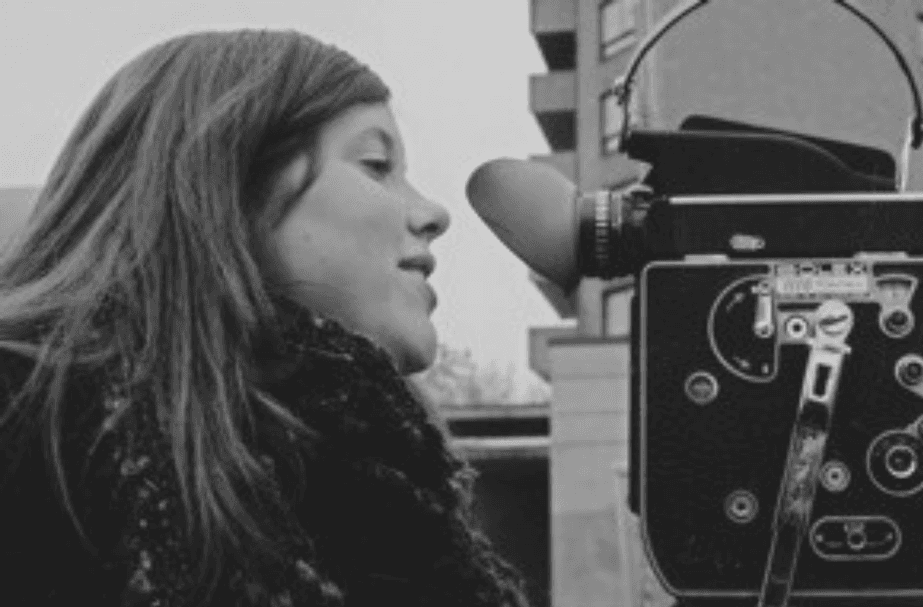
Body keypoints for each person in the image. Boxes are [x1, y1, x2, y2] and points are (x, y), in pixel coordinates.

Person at [0, 29, 530, 607]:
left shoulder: (393, 495)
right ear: (227, 187)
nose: (433, 213)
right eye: (376, 165)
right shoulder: (29, 421)